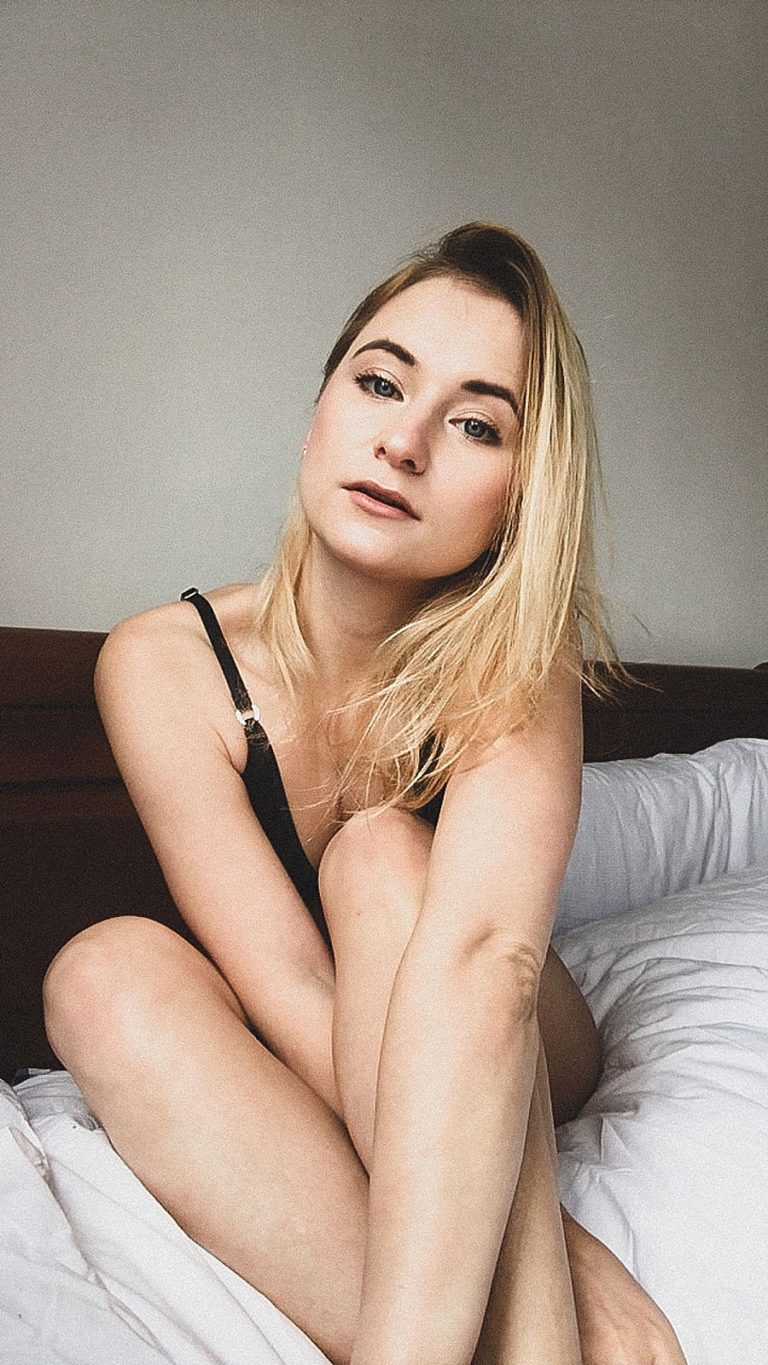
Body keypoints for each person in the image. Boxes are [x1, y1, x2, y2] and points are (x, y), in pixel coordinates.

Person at [43, 223, 687, 1365]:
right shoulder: (161, 664)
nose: (403, 441)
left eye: (477, 423)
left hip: (511, 1030)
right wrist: (567, 1251)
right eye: (381, 382)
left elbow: (486, 960)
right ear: (320, 408)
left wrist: (540, 1246)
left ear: (521, 492)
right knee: (100, 974)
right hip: (324, 1030)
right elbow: (288, 983)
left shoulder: (514, 650)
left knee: (380, 851)